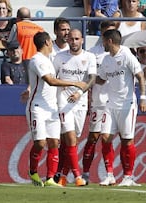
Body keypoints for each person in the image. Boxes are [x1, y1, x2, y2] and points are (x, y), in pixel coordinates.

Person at [24, 31, 87, 187]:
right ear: (46, 42)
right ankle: (33, 171)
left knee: (54, 142)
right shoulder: (36, 60)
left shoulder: (49, 60)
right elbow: (50, 81)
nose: (52, 44)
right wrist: (75, 83)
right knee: (40, 142)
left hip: (52, 107)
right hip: (37, 107)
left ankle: (51, 178)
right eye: (51, 42)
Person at [97, 29, 146, 187]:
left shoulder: (126, 54)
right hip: (111, 104)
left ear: (110, 41)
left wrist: (143, 98)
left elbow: (139, 75)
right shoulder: (106, 59)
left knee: (127, 141)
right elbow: (100, 80)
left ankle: (128, 176)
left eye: (103, 41)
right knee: (105, 137)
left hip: (127, 104)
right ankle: (110, 175)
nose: (102, 44)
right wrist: (85, 78)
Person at [53, 29, 97, 187]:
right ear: (67, 40)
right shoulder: (59, 57)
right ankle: (78, 176)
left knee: (71, 141)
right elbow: (52, 78)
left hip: (81, 102)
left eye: (77, 39)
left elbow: (92, 78)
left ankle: (62, 176)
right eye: (71, 39)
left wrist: (80, 92)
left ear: (82, 40)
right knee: (70, 138)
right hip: (63, 101)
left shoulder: (89, 57)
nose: (74, 42)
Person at [81, 21, 117, 186]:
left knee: (107, 138)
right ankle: (86, 173)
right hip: (98, 100)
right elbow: (89, 78)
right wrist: (88, 98)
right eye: (106, 32)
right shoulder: (92, 54)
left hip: (115, 101)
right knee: (94, 137)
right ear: (102, 35)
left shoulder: (122, 53)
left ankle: (110, 173)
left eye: (112, 32)